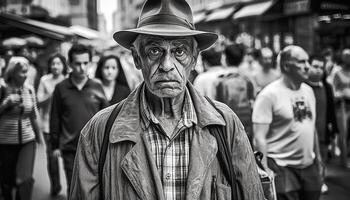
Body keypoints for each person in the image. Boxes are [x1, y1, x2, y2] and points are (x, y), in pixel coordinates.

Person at [69, 0, 264, 199]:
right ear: (137, 58)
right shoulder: (99, 131)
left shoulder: (226, 125)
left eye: (179, 51)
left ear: (194, 58)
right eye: (154, 51)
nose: (167, 65)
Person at [252, 45, 322, 200]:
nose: (307, 66)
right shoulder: (268, 95)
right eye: (301, 62)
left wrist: (318, 160)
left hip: (309, 167)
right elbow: (259, 137)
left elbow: (312, 127)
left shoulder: (308, 91)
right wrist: (265, 171)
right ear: (286, 65)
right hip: (282, 167)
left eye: (307, 61)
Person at [50, 44, 108, 193]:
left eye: (85, 63)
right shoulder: (60, 88)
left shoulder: (97, 86)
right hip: (70, 149)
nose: (82, 68)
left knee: (95, 188)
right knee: (74, 188)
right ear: (69, 64)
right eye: (77, 63)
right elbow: (55, 117)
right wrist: (55, 145)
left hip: (95, 148)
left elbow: (106, 117)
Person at [0, 56, 43, 200]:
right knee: (7, 181)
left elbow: (33, 116)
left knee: (25, 180)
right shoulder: (2, 87)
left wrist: (39, 138)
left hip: (27, 139)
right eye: (22, 72)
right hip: (5, 141)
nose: (26, 76)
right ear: (12, 72)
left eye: (27, 72)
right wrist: (5, 104)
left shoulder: (29, 89)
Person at [306, 54, 339, 194]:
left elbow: (331, 110)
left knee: (322, 158)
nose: (318, 70)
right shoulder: (303, 86)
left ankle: (321, 180)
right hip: (308, 132)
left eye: (321, 67)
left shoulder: (327, 87)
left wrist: (333, 130)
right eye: (315, 66)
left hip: (322, 129)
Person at [37, 53, 68, 196]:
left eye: (59, 63)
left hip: (66, 126)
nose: (55, 66)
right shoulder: (45, 80)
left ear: (63, 65)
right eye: (53, 63)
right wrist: (53, 94)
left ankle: (72, 187)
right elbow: (39, 102)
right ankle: (55, 186)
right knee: (52, 158)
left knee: (69, 157)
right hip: (48, 126)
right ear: (50, 65)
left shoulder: (68, 81)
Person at [215, 44, 255, 144]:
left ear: (225, 58)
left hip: (227, 129)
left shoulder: (220, 81)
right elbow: (252, 104)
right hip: (246, 129)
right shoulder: (247, 80)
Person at [333, 48, 350, 167]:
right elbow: (333, 90)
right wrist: (341, 95)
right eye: (347, 56)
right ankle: (344, 159)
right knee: (343, 132)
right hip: (342, 104)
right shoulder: (337, 72)